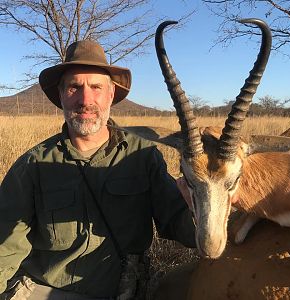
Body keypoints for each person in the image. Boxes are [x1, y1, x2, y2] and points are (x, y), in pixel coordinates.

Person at [0, 39, 195, 300]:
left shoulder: (143, 156)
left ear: (111, 94)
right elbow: (5, 249)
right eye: (74, 87)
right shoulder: (31, 166)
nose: (85, 100)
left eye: (96, 87)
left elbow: (181, 225)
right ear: (60, 95)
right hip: (49, 292)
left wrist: (203, 208)